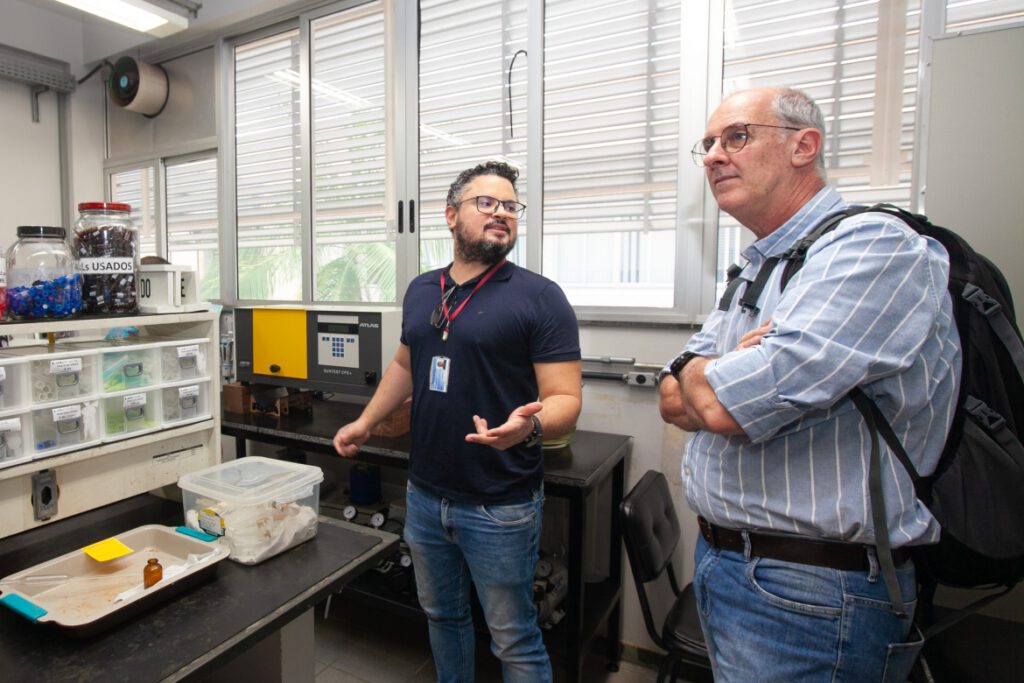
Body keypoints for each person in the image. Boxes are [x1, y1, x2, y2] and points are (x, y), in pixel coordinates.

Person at [658, 87, 960, 682]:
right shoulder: (761, 263)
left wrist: (702, 374)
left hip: (816, 590)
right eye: (709, 144)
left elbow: (718, 407)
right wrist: (705, 373)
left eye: (737, 136)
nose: (715, 155)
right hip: (729, 564)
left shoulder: (873, 246)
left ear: (805, 145)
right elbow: (673, 397)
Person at [333, 160, 582, 683]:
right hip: (425, 494)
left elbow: (565, 398)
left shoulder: (540, 297)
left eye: (510, 206)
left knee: (513, 636)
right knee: (444, 617)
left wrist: (529, 428)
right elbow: (406, 365)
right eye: (486, 203)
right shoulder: (423, 289)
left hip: (500, 502)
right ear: (450, 216)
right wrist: (365, 422)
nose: (502, 214)